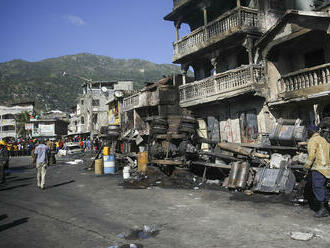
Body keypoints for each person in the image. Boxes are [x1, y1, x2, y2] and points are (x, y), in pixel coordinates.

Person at [304, 124, 330, 218]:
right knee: (323, 187)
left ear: (311, 131)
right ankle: (326, 207)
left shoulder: (312, 140)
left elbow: (311, 156)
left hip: (318, 168)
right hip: (326, 169)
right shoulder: (324, 140)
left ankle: (322, 210)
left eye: (308, 131)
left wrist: (306, 166)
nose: (307, 132)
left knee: (317, 187)